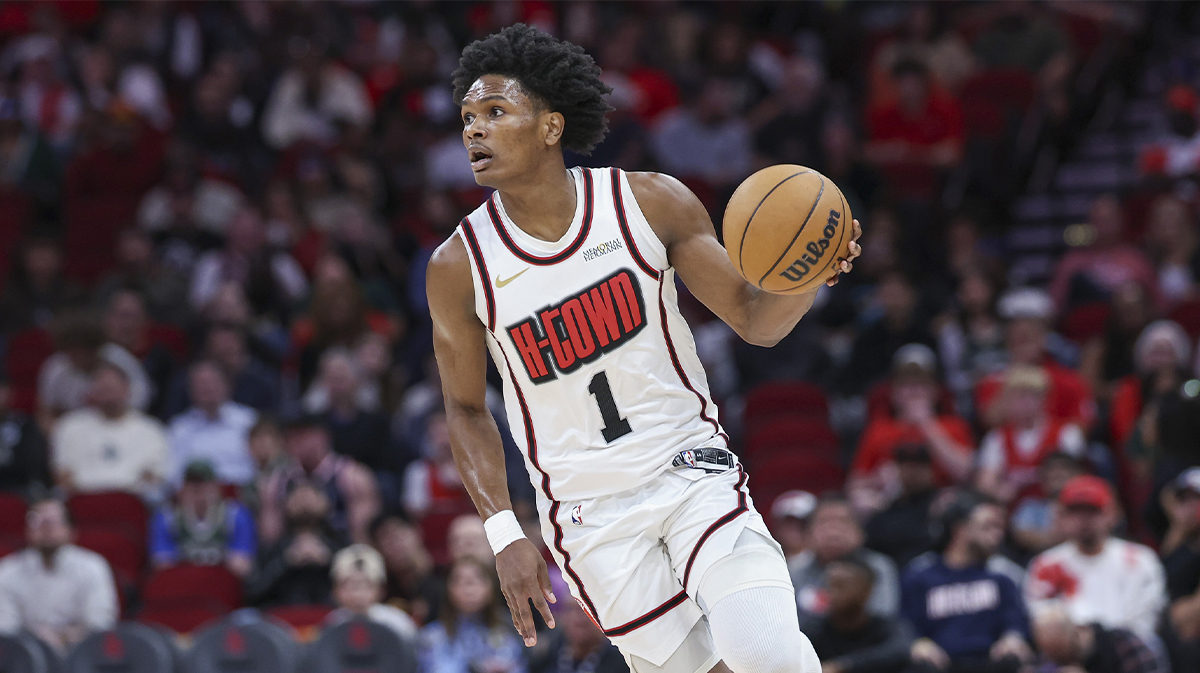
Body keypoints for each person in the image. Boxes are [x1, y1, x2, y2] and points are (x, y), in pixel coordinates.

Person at [428, 25, 861, 673]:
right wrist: (503, 532)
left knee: (761, 651)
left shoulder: (648, 203)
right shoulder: (460, 265)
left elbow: (752, 318)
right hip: (590, 514)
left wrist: (809, 273)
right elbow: (464, 408)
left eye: (495, 112)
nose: (474, 130)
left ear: (550, 126)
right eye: (467, 117)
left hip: (689, 469)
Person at [901, 493, 1033, 673]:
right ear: (960, 530)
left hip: (989, 663)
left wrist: (1012, 638)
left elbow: (1015, 621)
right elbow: (906, 623)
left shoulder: (1001, 574)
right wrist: (918, 643)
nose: (998, 535)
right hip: (941, 664)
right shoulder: (920, 575)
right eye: (988, 527)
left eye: (1000, 528)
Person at [1025, 476, 1166, 641]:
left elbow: (1146, 621)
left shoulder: (1140, 560)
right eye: (1075, 511)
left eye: (1092, 510)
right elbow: (1043, 621)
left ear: (1112, 514)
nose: (1084, 520)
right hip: (1070, 652)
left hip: (1128, 650)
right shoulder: (1045, 565)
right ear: (1062, 517)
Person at [849, 345, 974, 515]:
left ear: (935, 391)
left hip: (939, 503)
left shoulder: (954, 425)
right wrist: (877, 479)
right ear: (894, 392)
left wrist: (927, 425)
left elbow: (966, 473)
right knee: (861, 500)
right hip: (890, 502)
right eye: (906, 385)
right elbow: (854, 483)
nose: (914, 391)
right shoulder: (878, 429)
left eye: (922, 384)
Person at [0, 499, 118, 653]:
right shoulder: (8, 571)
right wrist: (38, 637)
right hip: (26, 657)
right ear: (27, 530)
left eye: (54, 521)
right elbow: (6, 629)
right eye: (38, 521)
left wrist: (63, 637)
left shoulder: (93, 566)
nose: (46, 527)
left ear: (71, 530)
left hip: (82, 655)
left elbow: (101, 624)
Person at [52, 361, 168, 499]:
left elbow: (155, 477)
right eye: (103, 389)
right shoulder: (70, 425)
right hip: (83, 503)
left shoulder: (151, 429)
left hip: (133, 503)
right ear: (92, 391)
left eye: (112, 388)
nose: (108, 395)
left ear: (127, 389)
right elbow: (63, 476)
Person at [975, 366, 1087, 506]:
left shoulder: (1067, 433)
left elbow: (1078, 481)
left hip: (1056, 510)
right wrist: (1001, 492)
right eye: (1018, 397)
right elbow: (985, 484)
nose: (1023, 403)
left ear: (1044, 399)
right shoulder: (997, 438)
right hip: (1014, 513)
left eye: (1030, 396)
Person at [259, 416, 379, 544]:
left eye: (301, 436)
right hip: (290, 556)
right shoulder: (277, 481)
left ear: (322, 437)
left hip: (341, 553)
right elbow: (270, 541)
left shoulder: (352, 477)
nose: (294, 442)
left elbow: (362, 538)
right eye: (291, 437)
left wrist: (326, 512)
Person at [791, 497, 900, 620]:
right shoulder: (793, 572)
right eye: (823, 522)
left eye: (843, 522)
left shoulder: (879, 567)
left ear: (860, 533)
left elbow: (884, 617)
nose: (833, 532)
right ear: (808, 534)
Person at [801, 553, 912, 673]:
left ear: (867, 590)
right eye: (829, 585)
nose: (832, 593)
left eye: (841, 586)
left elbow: (901, 650)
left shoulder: (887, 627)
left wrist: (842, 666)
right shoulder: (814, 629)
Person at [148, 460, 256, 579]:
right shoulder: (167, 517)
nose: (199, 494)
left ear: (217, 488)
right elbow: (163, 566)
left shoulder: (235, 515)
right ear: (182, 490)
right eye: (193, 488)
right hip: (183, 584)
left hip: (221, 584)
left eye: (204, 487)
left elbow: (242, 566)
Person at [245, 481, 345, 607]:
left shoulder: (341, 545)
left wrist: (329, 559)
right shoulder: (272, 548)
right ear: (285, 504)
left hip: (333, 618)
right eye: (298, 497)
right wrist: (287, 561)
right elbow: (252, 592)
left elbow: (360, 587)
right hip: (282, 619)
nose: (305, 502)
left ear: (327, 504)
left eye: (312, 496)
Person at [420, 558, 527, 673]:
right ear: (448, 589)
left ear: (492, 587)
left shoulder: (508, 628)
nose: (469, 587)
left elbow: (518, 667)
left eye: (478, 578)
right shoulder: (432, 636)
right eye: (459, 580)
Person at [167, 360, 258, 486]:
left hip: (244, 494)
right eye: (201, 383)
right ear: (190, 390)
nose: (207, 388)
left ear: (227, 385)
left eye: (212, 382)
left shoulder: (249, 421)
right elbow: (173, 476)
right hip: (197, 496)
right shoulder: (180, 428)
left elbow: (262, 466)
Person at [864, 443, 942, 568]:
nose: (913, 472)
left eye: (919, 466)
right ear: (898, 469)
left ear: (930, 470)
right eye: (907, 466)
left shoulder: (941, 506)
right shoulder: (886, 512)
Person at [326, 544, 418, 643]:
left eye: (366, 585)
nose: (357, 594)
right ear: (336, 591)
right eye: (349, 586)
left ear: (381, 590)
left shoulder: (398, 623)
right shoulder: (333, 622)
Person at [1033, 607, 1163, 673]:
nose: (1056, 659)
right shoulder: (1049, 660)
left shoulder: (1123, 644)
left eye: (1059, 650)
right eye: (1049, 652)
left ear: (1076, 631)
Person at [1159, 468, 1200, 671]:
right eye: (1185, 500)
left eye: (1196, 499)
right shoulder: (1181, 538)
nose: (1190, 507)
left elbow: (1191, 620)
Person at [1008, 453, 1085, 560]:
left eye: (1063, 470)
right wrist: (1067, 537)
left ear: (1077, 475)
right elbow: (1021, 535)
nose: (1056, 474)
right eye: (1051, 470)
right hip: (1036, 560)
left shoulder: (1085, 509)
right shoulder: (1030, 507)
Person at [370, 512, 442, 625]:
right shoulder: (382, 592)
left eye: (399, 535)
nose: (395, 544)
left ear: (417, 532)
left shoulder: (445, 577)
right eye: (385, 538)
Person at [531, 598, 628, 673]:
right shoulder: (545, 657)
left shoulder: (623, 661)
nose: (579, 617)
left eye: (586, 609)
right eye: (571, 609)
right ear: (562, 616)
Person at [0, 370, 49, 494]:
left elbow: (34, 465)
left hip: (21, 489)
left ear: (10, 393)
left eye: (2, 389)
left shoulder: (26, 426)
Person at [769, 490, 816, 562]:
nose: (794, 529)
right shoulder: (769, 560)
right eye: (788, 523)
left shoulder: (825, 563)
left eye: (802, 523)